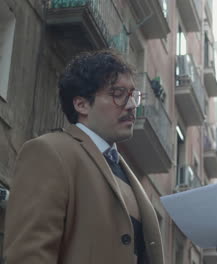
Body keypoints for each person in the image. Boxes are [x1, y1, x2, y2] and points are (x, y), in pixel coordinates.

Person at [4, 50, 164, 264]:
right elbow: (28, 256)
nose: (132, 105)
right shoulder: (49, 152)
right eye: (118, 94)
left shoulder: (124, 172)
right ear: (81, 104)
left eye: (133, 95)